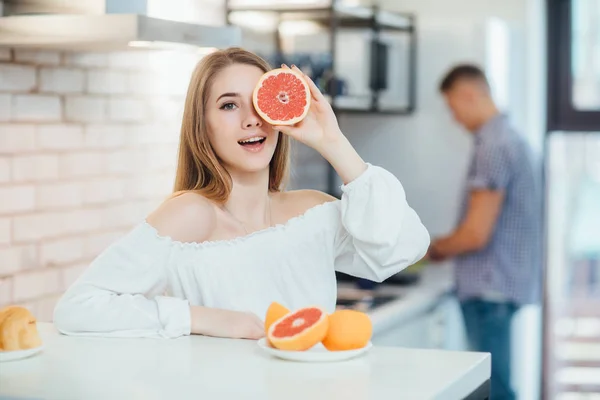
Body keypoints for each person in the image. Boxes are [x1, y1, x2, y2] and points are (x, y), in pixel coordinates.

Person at [53, 48, 430, 340]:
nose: (251, 118)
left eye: (260, 102)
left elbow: (400, 249)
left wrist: (332, 141)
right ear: (202, 125)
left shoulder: (311, 211)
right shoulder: (192, 214)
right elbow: (79, 307)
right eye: (229, 105)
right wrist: (204, 319)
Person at [427, 64, 542, 400]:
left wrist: (427, 249)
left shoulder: (493, 145)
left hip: (488, 289)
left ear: (468, 95)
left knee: (495, 391)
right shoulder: (513, 138)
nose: (454, 118)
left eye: (452, 107)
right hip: (503, 286)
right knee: (499, 385)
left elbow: (476, 233)